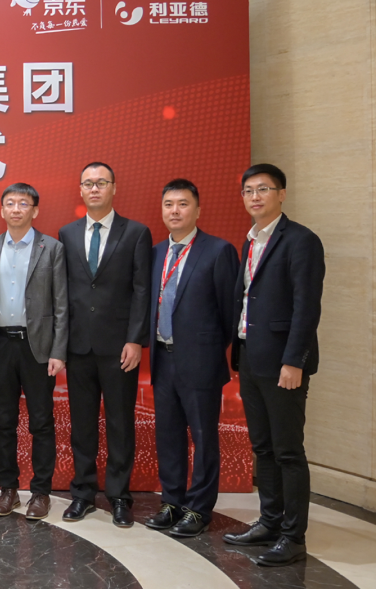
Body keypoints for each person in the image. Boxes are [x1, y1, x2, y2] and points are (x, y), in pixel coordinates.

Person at [223, 164, 324, 567]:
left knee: (288, 451)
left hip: (283, 363)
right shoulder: (250, 241)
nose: (255, 197)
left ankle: (293, 537)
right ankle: (269, 522)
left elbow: (306, 308)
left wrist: (294, 361)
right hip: (251, 357)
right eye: (248, 190)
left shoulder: (301, 240)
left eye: (263, 189)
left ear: (281, 194)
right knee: (262, 447)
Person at [57, 162, 152, 527]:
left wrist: (135, 339)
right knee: (81, 425)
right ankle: (82, 493)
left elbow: (141, 290)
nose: (94, 189)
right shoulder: (66, 234)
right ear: (80, 190)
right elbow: (63, 291)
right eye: (88, 183)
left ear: (114, 188)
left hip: (119, 348)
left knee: (120, 423)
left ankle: (119, 497)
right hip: (78, 346)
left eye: (101, 183)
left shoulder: (136, 233)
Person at [144, 179, 239, 537]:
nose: (175, 211)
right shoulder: (155, 253)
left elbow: (229, 313)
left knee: (203, 438)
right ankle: (172, 502)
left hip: (201, 362)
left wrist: (206, 348)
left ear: (197, 209)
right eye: (169, 204)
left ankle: (199, 508)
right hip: (163, 358)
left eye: (183, 204)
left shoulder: (218, 251)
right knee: (168, 436)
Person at [0, 183, 68, 520]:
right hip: (0, 344)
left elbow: (61, 304)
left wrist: (58, 350)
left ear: (35, 210)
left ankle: (41, 492)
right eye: (10, 203)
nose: (16, 209)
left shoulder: (52, 248)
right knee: (3, 420)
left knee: (41, 421)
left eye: (23, 203)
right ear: (1, 210)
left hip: (38, 347)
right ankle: (8, 490)